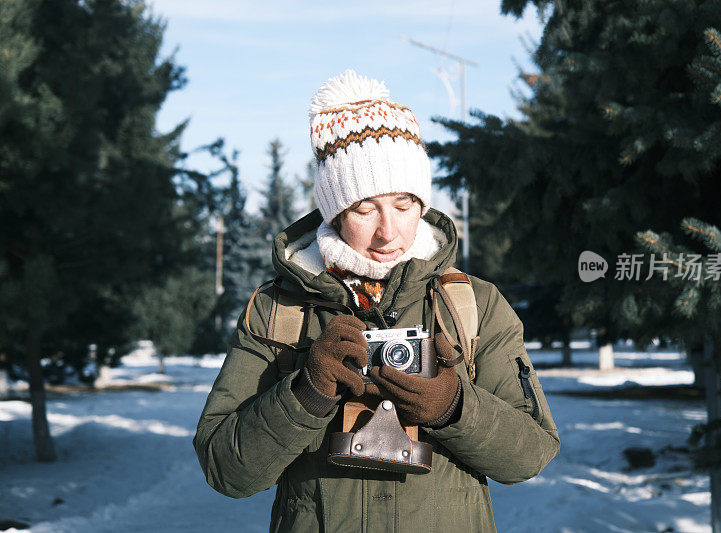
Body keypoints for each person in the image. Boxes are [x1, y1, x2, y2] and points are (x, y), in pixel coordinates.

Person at [193, 69, 560, 532]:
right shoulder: (279, 311)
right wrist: (306, 393)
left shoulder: (472, 306)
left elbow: (531, 455)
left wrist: (455, 408)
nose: (389, 232)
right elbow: (226, 470)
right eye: (365, 209)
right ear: (334, 210)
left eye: (405, 205)